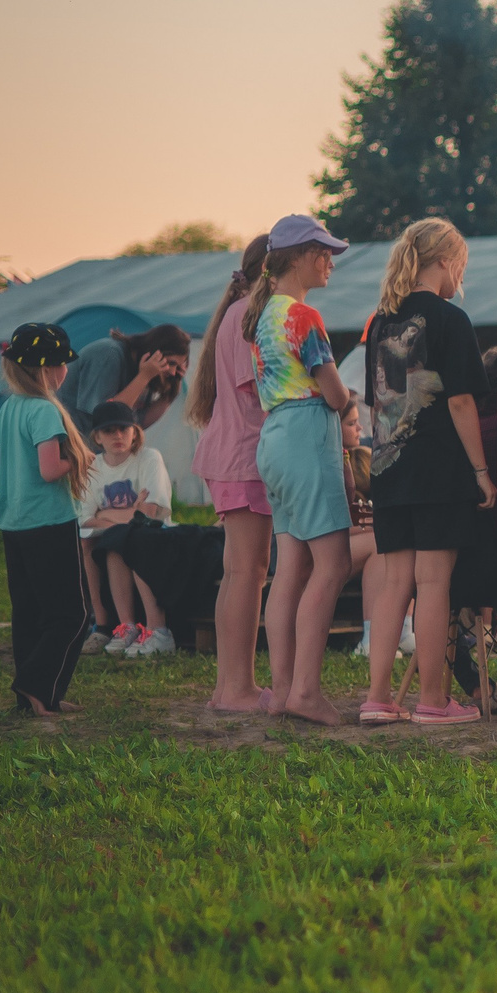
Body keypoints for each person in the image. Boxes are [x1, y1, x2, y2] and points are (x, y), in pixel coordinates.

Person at [357, 219, 495, 728]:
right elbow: (460, 401)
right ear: (445, 262)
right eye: (461, 264)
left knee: (395, 583)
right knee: (433, 583)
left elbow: (380, 407)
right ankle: (434, 701)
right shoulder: (450, 319)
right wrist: (480, 471)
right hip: (438, 471)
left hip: (390, 469)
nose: (462, 275)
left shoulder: (381, 322)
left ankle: (377, 697)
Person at [248, 215, 358, 727]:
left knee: (290, 567)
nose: (331, 262)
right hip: (308, 436)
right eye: (326, 253)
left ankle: (284, 687)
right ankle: (307, 693)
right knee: (333, 564)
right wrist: (348, 399)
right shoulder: (303, 317)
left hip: (275, 439)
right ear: (304, 257)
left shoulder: (262, 314)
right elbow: (334, 393)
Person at [184, 234, 274, 712]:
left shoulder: (235, 312)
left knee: (238, 572)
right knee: (248, 573)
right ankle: (239, 688)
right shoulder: (247, 317)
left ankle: (229, 686)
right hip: (244, 457)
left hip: (232, 455)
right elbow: (258, 389)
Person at [0, 323, 91, 717]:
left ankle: (39, 696)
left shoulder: (8, 409)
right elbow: (50, 470)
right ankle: (35, 686)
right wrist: (80, 458)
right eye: (63, 363)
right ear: (48, 369)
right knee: (71, 614)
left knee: (30, 614)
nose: (66, 370)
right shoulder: (45, 410)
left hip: (14, 526)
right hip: (49, 523)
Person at [77, 401, 175, 657]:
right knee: (91, 542)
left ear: (135, 432)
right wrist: (130, 513)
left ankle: (152, 627)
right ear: (97, 436)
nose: (118, 436)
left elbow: (149, 514)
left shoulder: (149, 457)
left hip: (153, 536)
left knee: (123, 538)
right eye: (109, 431)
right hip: (113, 538)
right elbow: (84, 520)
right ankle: (109, 624)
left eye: (124, 429)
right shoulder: (92, 467)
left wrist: (105, 513)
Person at [59, 321, 192, 441]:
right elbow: (108, 417)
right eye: (171, 363)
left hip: (91, 454)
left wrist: (171, 393)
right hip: (63, 446)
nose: (173, 372)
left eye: (178, 367)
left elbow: (136, 422)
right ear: (154, 352)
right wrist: (144, 376)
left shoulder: (147, 371)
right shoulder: (109, 354)